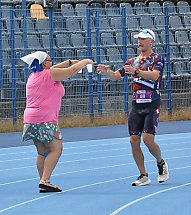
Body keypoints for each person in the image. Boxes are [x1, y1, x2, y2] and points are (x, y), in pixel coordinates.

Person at [96, 29, 169, 186]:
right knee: (133, 139)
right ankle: (143, 175)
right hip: (137, 104)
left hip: (152, 102)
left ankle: (160, 162)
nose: (140, 41)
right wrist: (107, 71)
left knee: (148, 139)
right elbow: (116, 75)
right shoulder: (132, 61)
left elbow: (155, 76)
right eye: (138, 39)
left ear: (151, 41)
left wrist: (137, 72)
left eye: (143, 39)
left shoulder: (157, 59)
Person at [21, 51, 93, 192]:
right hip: (45, 119)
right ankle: (45, 180)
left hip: (30, 119)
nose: (52, 62)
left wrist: (69, 61)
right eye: (49, 60)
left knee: (42, 153)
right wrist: (85, 62)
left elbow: (60, 67)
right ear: (44, 63)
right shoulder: (50, 74)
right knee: (56, 149)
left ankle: (43, 181)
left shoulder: (34, 75)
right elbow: (70, 71)